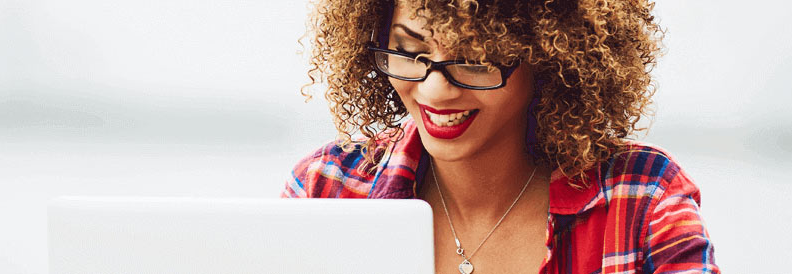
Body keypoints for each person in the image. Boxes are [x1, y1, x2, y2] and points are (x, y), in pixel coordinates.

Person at [280, 0, 719, 273]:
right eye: (411, 52)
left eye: (473, 59)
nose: (435, 90)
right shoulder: (327, 189)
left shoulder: (640, 199)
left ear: (548, 57)